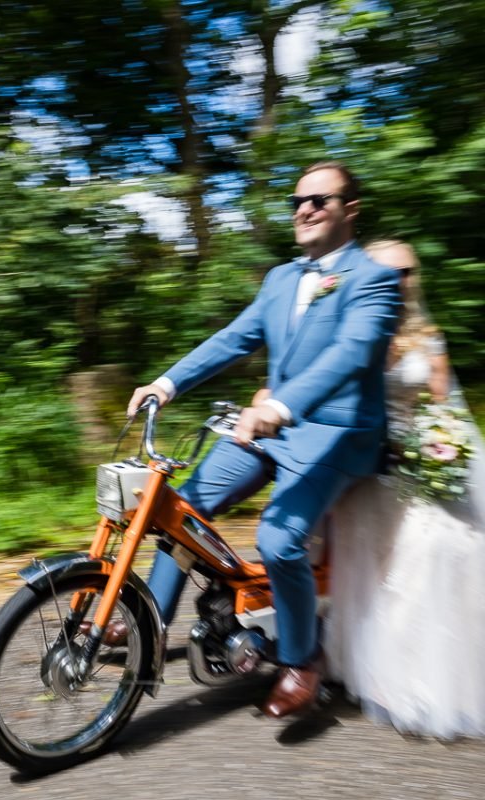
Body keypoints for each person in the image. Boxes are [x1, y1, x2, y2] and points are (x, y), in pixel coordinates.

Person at [122, 161, 402, 719]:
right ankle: (147, 624)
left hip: (337, 434)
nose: (305, 209)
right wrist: (166, 382)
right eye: (298, 200)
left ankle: (302, 660)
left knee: (278, 540)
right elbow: (233, 339)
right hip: (271, 429)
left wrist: (279, 405)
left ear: (351, 210)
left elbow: (350, 355)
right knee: (181, 508)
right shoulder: (280, 279)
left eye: (320, 200)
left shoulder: (374, 279)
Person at [324, 240, 485, 739]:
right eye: (386, 272)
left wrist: (440, 445)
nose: (398, 281)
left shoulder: (428, 338)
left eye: (406, 272)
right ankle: (370, 669)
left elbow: (445, 409)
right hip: (367, 468)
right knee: (371, 568)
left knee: (441, 548)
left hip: (416, 465)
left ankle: (427, 677)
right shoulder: (353, 330)